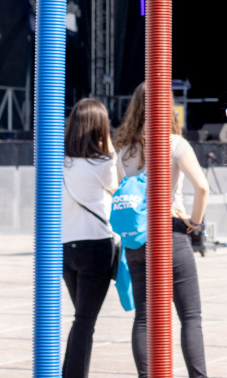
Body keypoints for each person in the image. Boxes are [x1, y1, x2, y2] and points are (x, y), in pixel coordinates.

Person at [114, 83, 211, 378]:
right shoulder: (174, 144)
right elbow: (202, 188)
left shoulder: (124, 152)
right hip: (170, 234)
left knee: (144, 318)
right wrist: (194, 222)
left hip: (137, 241)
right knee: (190, 317)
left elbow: (123, 193)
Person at [61, 98, 119, 378]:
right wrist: (108, 144)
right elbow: (116, 189)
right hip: (96, 247)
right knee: (84, 320)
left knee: (82, 319)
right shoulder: (104, 164)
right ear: (100, 128)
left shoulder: (59, 164)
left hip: (65, 249)